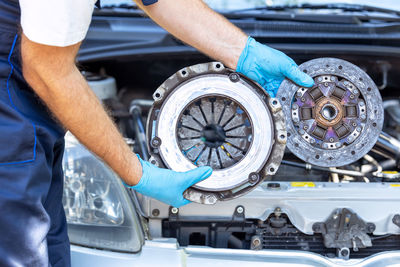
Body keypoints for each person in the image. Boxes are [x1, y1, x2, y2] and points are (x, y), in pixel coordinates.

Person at [0, 0, 314, 266]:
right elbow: (46, 69)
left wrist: (246, 53)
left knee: (52, 251)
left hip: (33, 105)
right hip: (11, 109)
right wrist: (138, 173)